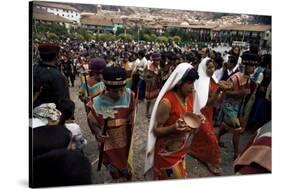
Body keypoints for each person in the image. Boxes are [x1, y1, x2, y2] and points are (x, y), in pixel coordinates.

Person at [144, 63, 202, 180]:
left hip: (180, 149)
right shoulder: (167, 102)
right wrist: (173, 128)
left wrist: (198, 121)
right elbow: (156, 130)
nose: (192, 87)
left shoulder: (190, 96)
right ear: (180, 82)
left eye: (193, 83)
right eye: (189, 83)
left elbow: (192, 127)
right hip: (166, 153)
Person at [87, 66, 136, 182]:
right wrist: (98, 132)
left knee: (127, 171)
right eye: (115, 91)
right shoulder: (96, 102)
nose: (119, 94)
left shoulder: (131, 96)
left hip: (126, 144)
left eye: (122, 89)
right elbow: (91, 121)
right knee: (114, 171)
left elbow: (133, 116)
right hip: (108, 146)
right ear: (105, 87)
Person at [217, 52, 259, 160]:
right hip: (228, 105)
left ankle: (216, 137)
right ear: (245, 66)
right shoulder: (235, 78)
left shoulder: (249, 79)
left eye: (255, 66)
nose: (254, 68)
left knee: (227, 126)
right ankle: (236, 153)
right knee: (237, 128)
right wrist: (239, 93)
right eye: (252, 66)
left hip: (238, 108)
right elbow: (225, 92)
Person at [189, 58, 222, 175]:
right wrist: (219, 92)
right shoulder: (200, 82)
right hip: (201, 113)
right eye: (209, 67)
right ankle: (211, 161)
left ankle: (194, 150)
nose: (212, 70)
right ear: (204, 68)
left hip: (210, 113)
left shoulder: (213, 80)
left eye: (213, 67)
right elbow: (206, 102)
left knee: (202, 136)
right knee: (211, 139)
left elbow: (215, 101)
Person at [33, 43, 70, 110]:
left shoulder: (33, 70)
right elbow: (64, 103)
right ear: (56, 56)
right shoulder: (57, 76)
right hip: (51, 116)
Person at [144, 52, 162, 118]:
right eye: (157, 60)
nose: (158, 61)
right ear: (154, 60)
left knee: (157, 99)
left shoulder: (159, 67)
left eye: (159, 60)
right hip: (150, 85)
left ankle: (155, 111)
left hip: (156, 85)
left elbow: (160, 77)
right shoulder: (148, 67)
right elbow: (144, 76)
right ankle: (147, 111)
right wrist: (149, 80)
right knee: (149, 99)